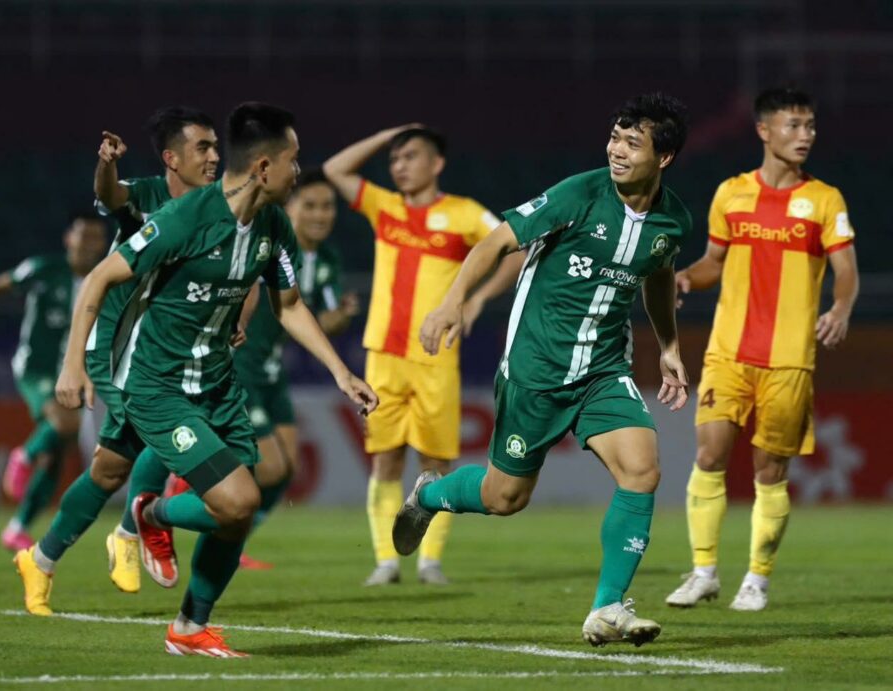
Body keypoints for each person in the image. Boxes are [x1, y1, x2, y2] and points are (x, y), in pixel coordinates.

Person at [19, 102, 378, 658]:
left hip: (218, 384)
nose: (298, 171)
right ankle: (146, 514)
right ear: (263, 167)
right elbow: (98, 278)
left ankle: (188, 628)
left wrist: (342, 373)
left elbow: (288, 305)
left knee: (233, 513)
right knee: (236, 499)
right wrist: (72, 364)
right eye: (293, 160)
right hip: (157, 385)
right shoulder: (184, 218)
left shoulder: (272, 225)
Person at [395, 93, 692, 647]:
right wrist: (453, 302)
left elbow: (657, 272)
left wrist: (669, 344)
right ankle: (429, 496)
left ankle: (607, 608)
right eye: (615, 137)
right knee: (504, 498)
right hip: (535, 369)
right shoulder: (579, 194)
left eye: (633, 143)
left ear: (664, 157)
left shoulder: (672, 220)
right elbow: (495, 242)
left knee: (642, 470)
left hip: (603, 370)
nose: (617, 150)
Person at [665, 87, 859, 612]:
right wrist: (687, 278)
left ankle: (757, 579)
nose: (805, 135)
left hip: (789, 359)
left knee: (769, 472)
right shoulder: (731, 193)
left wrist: (840, 309)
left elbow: (845, 270)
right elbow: (713, 261)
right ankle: (704, 572)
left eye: (810, 125)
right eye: (794, 125)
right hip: (728, 350)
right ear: (764, 130)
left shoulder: (825, 200)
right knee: (708, 455)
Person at [19, 106, 221, 599]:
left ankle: (40, 558)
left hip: (165, 352)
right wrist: (106, 163)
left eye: (217, 147)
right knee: (171, 424)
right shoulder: (147, 196)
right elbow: (110, 195)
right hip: (116, 347)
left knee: (109, 469)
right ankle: (132, 531)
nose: (215, 157)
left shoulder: (218, 208)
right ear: (172, 158)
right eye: (203, 147)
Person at [324, 126, 523, 586]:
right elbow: (334, 170)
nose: (399, 165)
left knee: (436, 463)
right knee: (385, 460)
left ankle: (430, 561)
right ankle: (386, 562)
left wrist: (477, 299)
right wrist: (387, 135)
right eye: (394, 159)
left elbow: (517, 249)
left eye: (410, 155)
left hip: (436, 357)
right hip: (383, 354)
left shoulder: (463, 213)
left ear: (437, 164)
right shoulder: (385, 207)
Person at [0, 213, 107, 550]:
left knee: (56, 454)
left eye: (95, 237)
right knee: (66, 423)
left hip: (72, 373)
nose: (88, 243)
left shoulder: (103, 279)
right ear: (69, 238)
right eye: (83, 234)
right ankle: (23, 456)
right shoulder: (43, 269)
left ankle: (17, 527)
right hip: (36, 369)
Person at [231, 168, 359, 568]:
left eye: (328, 206)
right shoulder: (267, 244)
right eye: (310, 205)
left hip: (271, 371)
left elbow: (322, 321)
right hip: (240, 365)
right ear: (290, 207)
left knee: (287, 468)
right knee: (270, 468)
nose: (320, 215)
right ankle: (189, 489)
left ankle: (232, 545)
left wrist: (342, 317)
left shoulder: (327, 260)